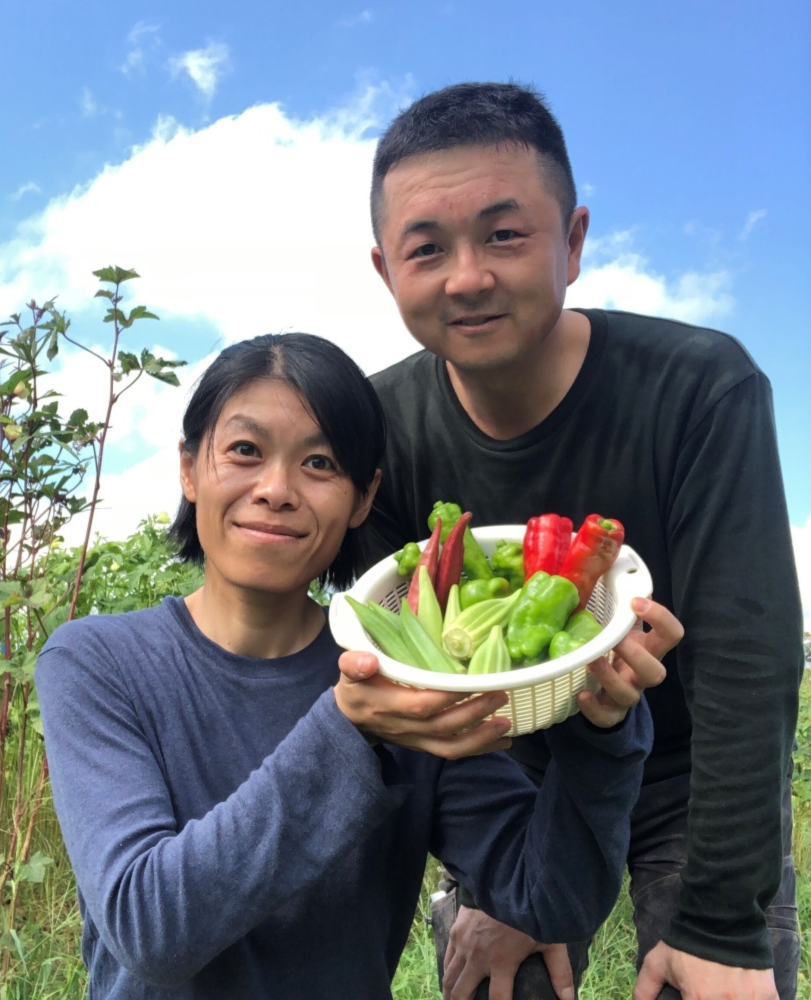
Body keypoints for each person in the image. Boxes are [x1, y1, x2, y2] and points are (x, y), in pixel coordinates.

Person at [34, 332, 675, 1000]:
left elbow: (549, 901)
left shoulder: (408, 682)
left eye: (320, 463)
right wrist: (347, 731)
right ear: (191, 469)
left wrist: (599, 731)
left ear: (364, 498)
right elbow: (150, 930)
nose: (277, 490)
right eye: (245, 452)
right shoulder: (98, 661)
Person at [356, 81, 804, 1000]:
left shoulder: (698, 387)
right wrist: (497, 879)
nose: (467, 275)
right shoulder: (382, 428)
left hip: (688, 776)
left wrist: (721, 922)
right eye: (427, 248)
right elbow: (397, 653)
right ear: (384, 270)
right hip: (509, 775)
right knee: (499, 981)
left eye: (505, 234)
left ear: (573, 240)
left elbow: (749, 661)